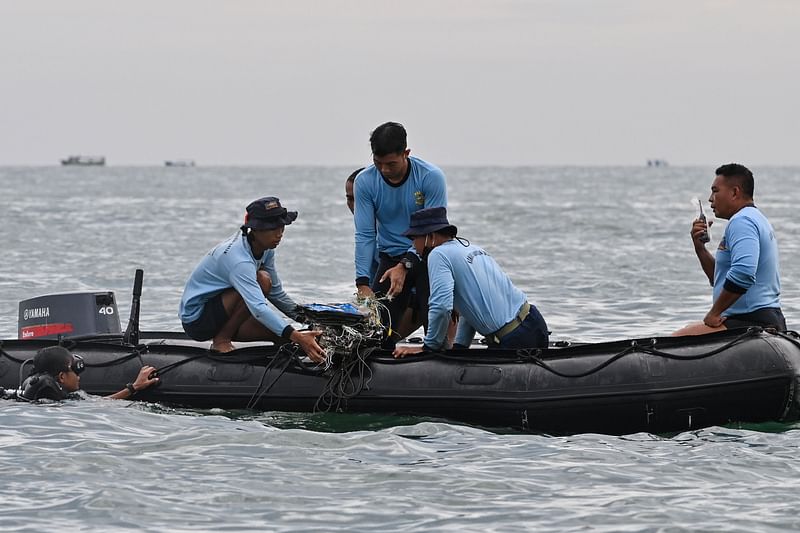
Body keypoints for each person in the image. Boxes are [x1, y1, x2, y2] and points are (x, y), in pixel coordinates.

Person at [179, 197, 326, 361]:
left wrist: (310, 321)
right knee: (262, 280)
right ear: (255, 230)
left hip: (226, 311)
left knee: (283, 337)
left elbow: (276, 294)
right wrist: (298, 337)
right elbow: (258, 307)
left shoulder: (266, 248)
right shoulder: (239, 260)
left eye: (281, 227)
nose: (279, 234)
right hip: (198, 320)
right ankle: (221, 341)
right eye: (272, 228)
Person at [393, 207, 549, 358]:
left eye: (414, 239)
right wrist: (460, 347)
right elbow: (472, 305)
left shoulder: (438, 254)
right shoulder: (471, 248)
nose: (414, 246)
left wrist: (428, 346)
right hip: (535, 322)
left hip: (514, 337)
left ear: (430, 237)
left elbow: (441, 306)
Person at [353, 122, 447, 346]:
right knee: (374, 334)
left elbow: (431, 232)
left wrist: (405, 265)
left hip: (427, 257)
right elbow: (365, 235)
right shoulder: (365, 181)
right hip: (389, 259)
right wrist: (362, 283)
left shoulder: (430, 177)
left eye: (391, 164)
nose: (384, 170)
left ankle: (441, 351)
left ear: (406, 153)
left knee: (433, 318)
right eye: (378, 163)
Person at [673, 163, 786, 335]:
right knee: (689, 330)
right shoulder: (756, 218)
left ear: (734, 192)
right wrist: (700, 249)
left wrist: (714, 312)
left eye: (715, 191)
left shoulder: (742, 221)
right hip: (766, 317)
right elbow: (722, 279)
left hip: (751, 320)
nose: (710, 198)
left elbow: (743, 273)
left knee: (677, 339)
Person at [17, 346, 159, 402]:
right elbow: (101, 403)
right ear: (62, 377)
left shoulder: (26, 393)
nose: (79, 376)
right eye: (75, 370)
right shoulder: (65, 401)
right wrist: (134, 387)